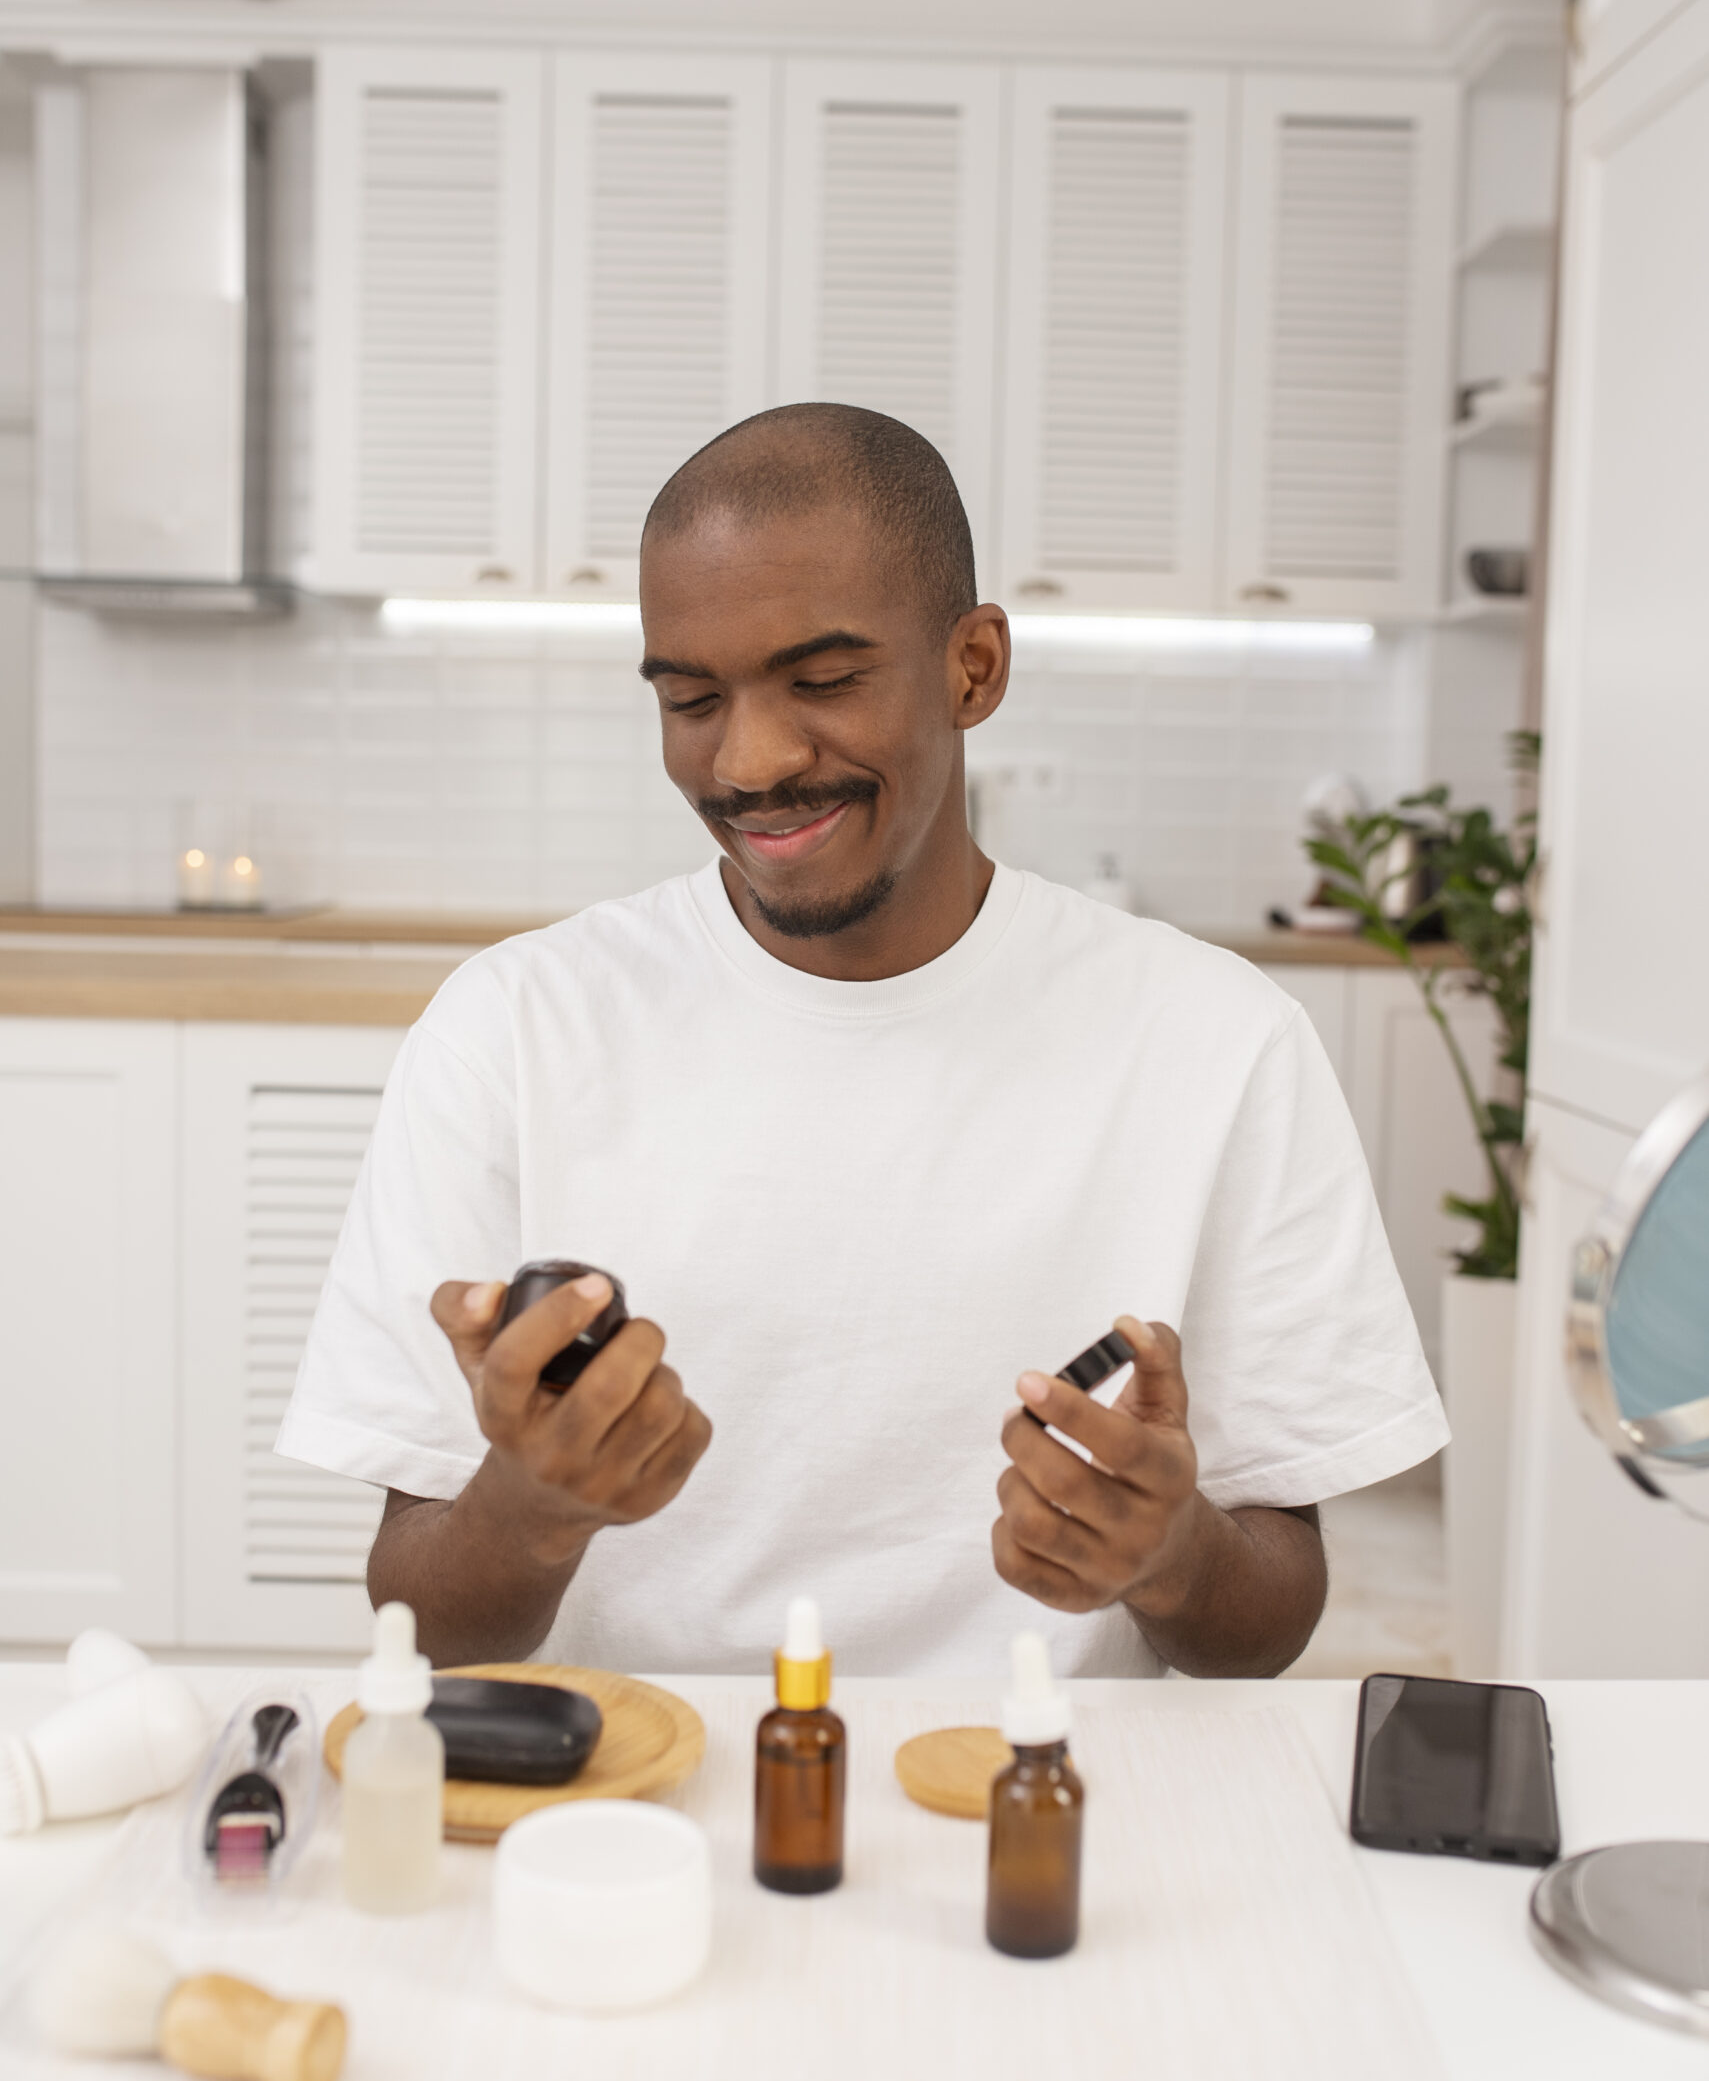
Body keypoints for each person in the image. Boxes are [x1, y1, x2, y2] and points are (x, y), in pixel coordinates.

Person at [278, 403, 1446, 1678]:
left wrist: (1167, 1556)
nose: (752, 758)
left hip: (1025, 1798)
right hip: (640, 1806)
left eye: (824, 682)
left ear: (973, 668)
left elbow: (1265, 1625)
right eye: (689, 698)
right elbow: (425, 1626)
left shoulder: (1222, 1044)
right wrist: (534, 1506)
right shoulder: (512, 1027)